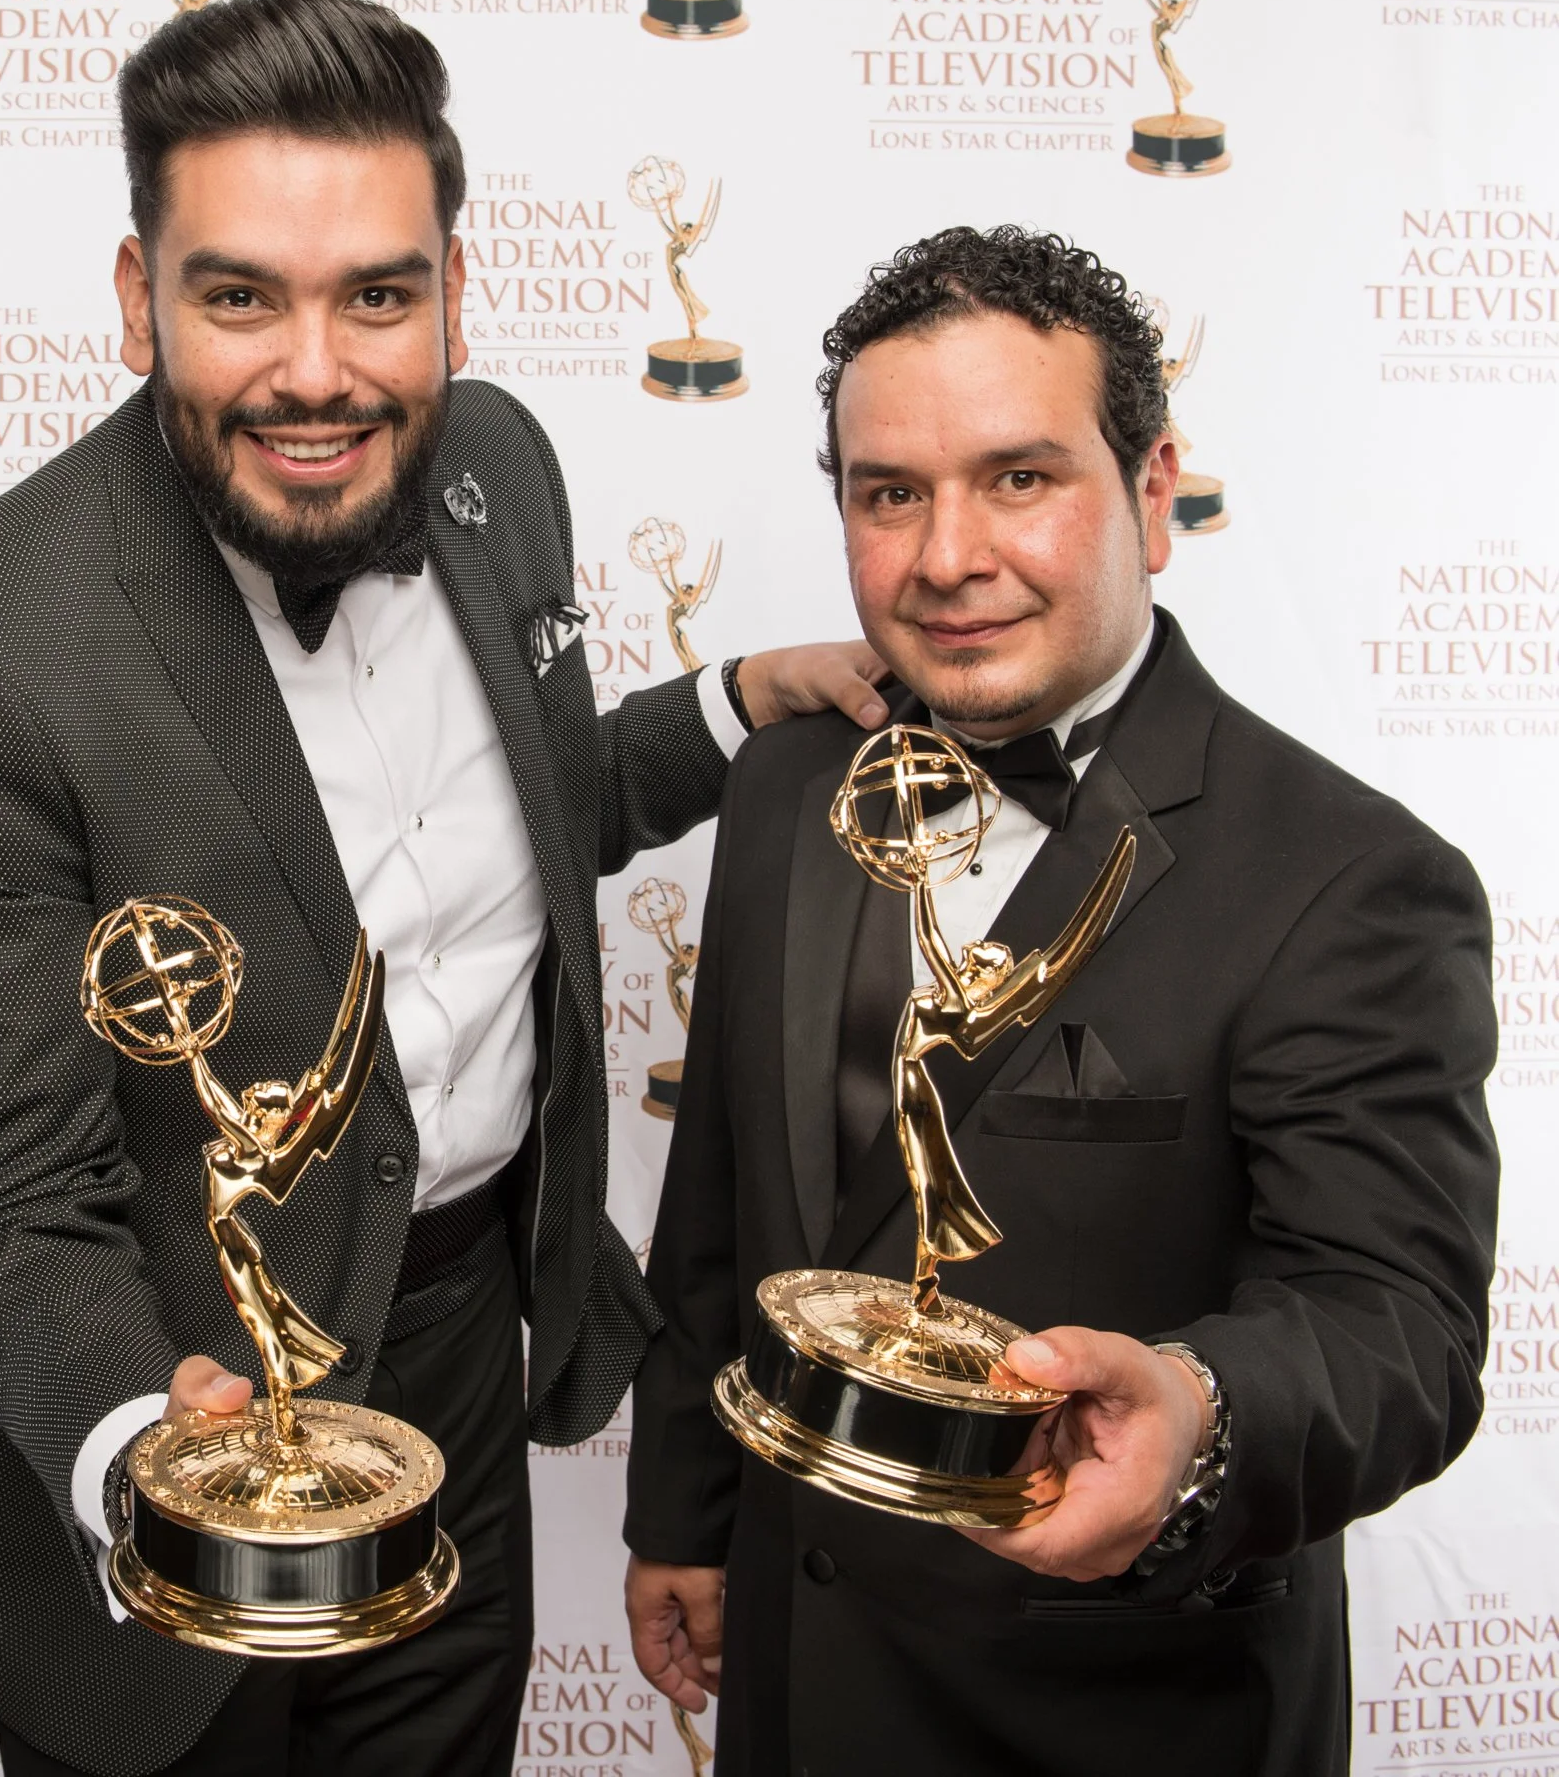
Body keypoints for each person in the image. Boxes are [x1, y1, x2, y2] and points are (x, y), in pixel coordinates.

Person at [0, 0, 886, 1777]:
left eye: (379, 295)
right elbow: (22, 1187)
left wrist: (726, 713)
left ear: (454, 294)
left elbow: (496, 824)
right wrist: (141, 1458)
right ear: (135, 301)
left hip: (458, 1350)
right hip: (181, 1397)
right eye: (239, 294)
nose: (318, 370)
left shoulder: (494, 464)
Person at [623, 225, 1501, 1776]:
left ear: (1154, 493)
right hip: (788, 1675)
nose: (947, 556)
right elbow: (727, 1211)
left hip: (1121, 1707)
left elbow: (1399, 1328)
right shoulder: (789, 782)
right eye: (890, 493)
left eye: (1020, 478)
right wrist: (684, 1514)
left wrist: (1198, 1405)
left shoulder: (1351, 877)